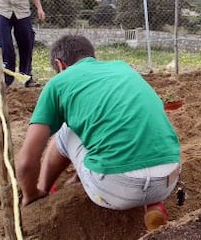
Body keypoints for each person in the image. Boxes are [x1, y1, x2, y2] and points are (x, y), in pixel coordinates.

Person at [16, 35, 181, 231]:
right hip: (169, 177)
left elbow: (26, 162)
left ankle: (45, 190)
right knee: (113, 125)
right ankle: (154, 204)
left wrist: (30, 195)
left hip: (115, 189)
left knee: (65, 131)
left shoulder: (59, 83)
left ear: (59, 65)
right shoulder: (124, 68)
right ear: (91, 56)